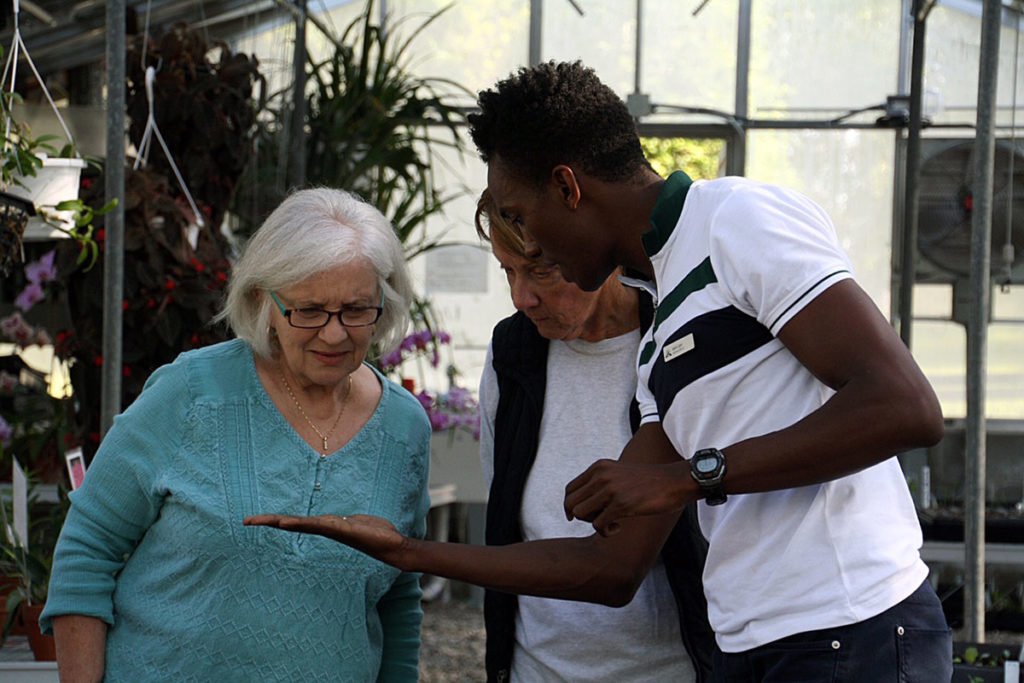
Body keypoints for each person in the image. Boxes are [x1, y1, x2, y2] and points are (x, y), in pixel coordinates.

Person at [249, 61, 954, 682]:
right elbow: (608, 564)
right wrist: (410, 551)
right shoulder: (661, 338)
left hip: (850, 624)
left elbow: (905, 406)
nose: (529, 259)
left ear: (568, 187)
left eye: (525, 219)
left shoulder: (736, 220)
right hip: (754, 644)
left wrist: (689, 474)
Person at [40, 187, 431, 682]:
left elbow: (399, 596)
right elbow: (87, 548)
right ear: (259, 298)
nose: (334, 334)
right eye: (308, 310)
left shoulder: (404, 429)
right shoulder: (191, 393)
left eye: (356, 309)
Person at [474, 190, 711, 682]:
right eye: (508, 272)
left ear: (592, 249)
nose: (522, 298)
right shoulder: (511, 352)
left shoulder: (678, 342)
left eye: (542, 270)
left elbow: (624, 568)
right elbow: (505, 515)